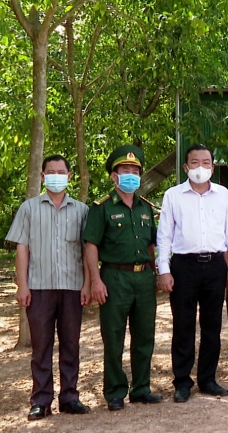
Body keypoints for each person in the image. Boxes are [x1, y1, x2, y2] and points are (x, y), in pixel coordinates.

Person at [5, 155, 91, 421]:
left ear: (69, 176)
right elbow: (22, 247)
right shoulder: (29, 208)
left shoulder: (81, 210)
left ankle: (70, 397)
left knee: (70, 345)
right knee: (41, 347)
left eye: (61, 171)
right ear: (42, 177)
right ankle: (41, 400)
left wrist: (88, 284)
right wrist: (22, 285)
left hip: (72, 288)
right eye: (50, 171)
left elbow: (88, 250)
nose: (56, 175)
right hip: (39, 288)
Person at [156, 143, 228, 402]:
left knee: (212, 325)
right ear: (185, 167)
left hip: (216, 265)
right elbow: (164, 236)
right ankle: (182, 382)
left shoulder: (224, 194)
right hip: (184, 266)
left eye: (206, 162)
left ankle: (208, 379)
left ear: (213, 167)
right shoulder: (173, 195)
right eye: (195, 162)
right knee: (183, 325)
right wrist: (164, 269)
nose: (201, 167)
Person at [83, 145, 162, 410]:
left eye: (135, 171)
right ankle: (115, 391)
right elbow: (90, 245)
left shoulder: (145, 208)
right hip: (114, 277)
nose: (131, 174)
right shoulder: (101, 208)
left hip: (143, 279)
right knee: (113, 336)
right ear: (113, 176)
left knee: (144, 336)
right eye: (125, 170)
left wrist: (157, 273)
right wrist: (95, 280)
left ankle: (141, 388)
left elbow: (152, 245)